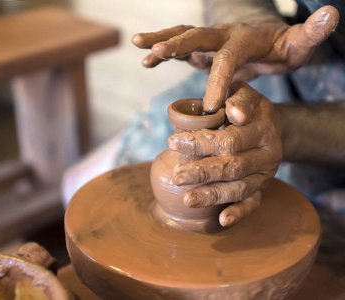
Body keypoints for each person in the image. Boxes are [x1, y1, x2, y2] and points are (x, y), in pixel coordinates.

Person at [131, 2, 344, 227]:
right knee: (150, 130)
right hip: (295, 50)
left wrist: (287, 130)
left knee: (312, 228)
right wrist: (250, 17)